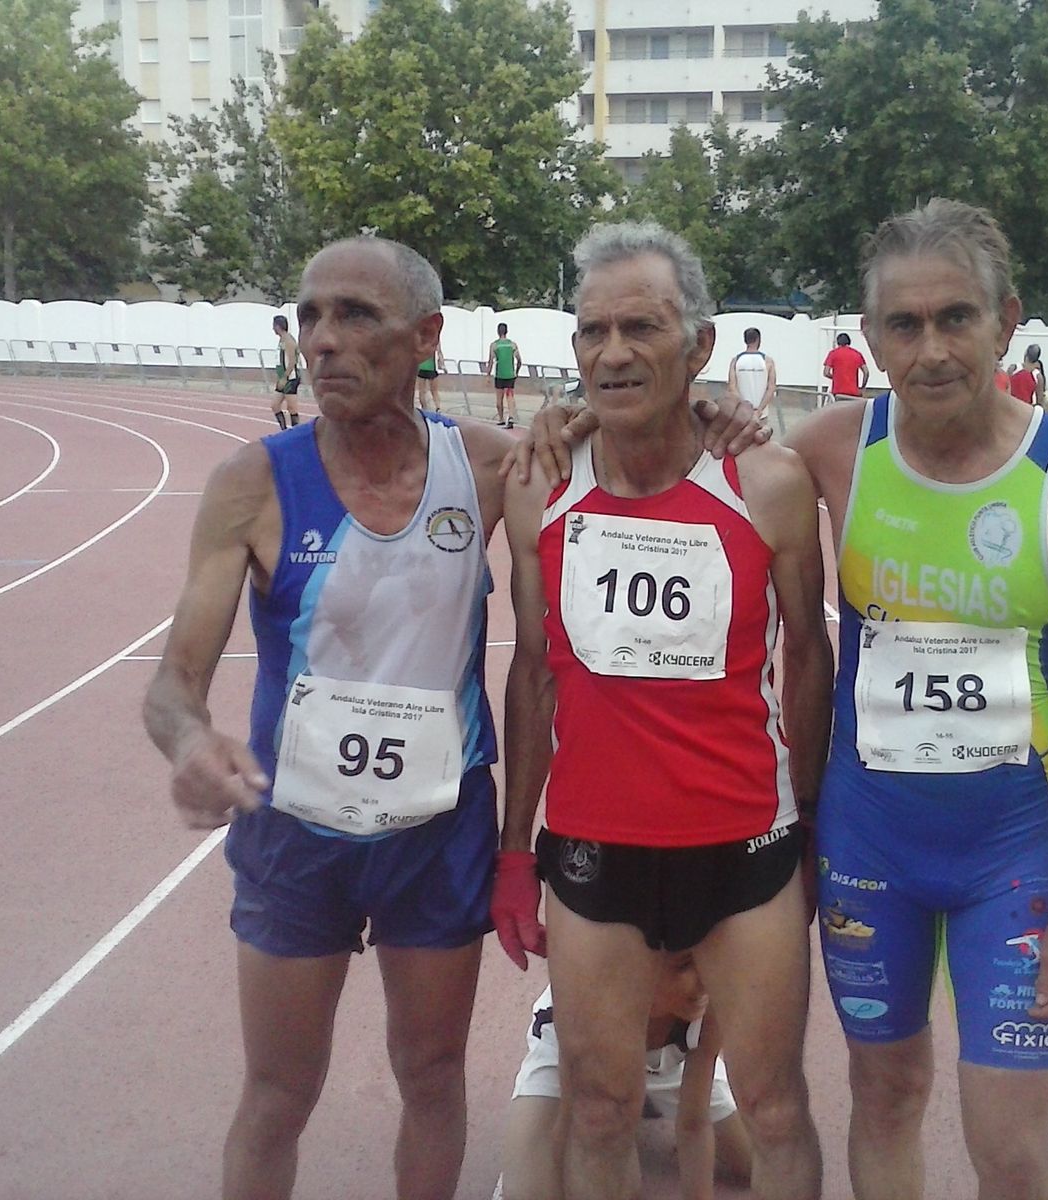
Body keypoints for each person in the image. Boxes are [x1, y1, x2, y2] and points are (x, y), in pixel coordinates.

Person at [143, 236, 526, 1200]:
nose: (322, 340)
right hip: (295, 830)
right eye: (310, 315)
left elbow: (631, 438)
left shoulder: (482, 465)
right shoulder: (253, 482)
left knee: (432, 1078)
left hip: (437, 833)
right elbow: (172, 683)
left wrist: (714, 406)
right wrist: (191, 743)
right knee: (278, 1093)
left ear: (426, 337)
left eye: (356, 315)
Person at [786, 200, 1048, 1200]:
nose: (931, 349)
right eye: (904, 324)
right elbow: (680, 457)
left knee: (1010, 1147)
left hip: (1008, 861)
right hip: (865, 848)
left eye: (956, 318)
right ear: (871, 339)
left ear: (1005, 319)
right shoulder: (830, 449)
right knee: (885, 1094)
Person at [499, 221, 831, 1200]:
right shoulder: (539, 487)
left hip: (743, 849)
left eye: (639, 326)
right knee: (599, 1109)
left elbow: (807, 657)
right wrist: (517, 850)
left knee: (775, 1109)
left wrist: (807, 820)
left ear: (697, 345)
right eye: (591, 330)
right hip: (595, 850)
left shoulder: (766, 481)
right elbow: (531, 674)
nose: (611, 351)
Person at [501, 951, 754, 1200]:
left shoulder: (710, 995)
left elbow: (694, 1124)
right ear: (640, 969)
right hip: (578, 1060)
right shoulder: (594, 1003)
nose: (703, 978)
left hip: (669, 1062)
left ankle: (644, 1101)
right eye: (684, 965)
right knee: (534, 1190)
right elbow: (570, 1122)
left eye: (707, 961)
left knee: (753, 1159)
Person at [729, 327, 778, 417]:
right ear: (758, 340)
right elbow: (771, 388)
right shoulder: (768, 361)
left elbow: (732, 387)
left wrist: (744, 408)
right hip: (761, 414)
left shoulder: (735, 361)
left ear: (745, 340)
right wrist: (759, 410)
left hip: (742, 414)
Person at [270, 315, 303, 430]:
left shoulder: (288, 340)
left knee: (292, 408)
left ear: (278, 326)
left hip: (290, 378)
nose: (272, 328)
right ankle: (284, 430)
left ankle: (295, 432)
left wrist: (285, 377)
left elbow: (292, 361)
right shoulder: (282, 340)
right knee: (275, 405)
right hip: (283, 378)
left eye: (274, 326)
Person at [490, 322, 523, 428]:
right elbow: (519, 360)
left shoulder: (494, 345)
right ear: (507, 331)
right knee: (510, 397)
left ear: (498, 332)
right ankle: (511, 416)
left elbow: (491, 361)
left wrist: (487, 374)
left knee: (499, 399)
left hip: (499, 375)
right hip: (510, 374)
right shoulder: (513, 345)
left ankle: (501, 418)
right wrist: (516, 372)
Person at [822, 332, 869, 402]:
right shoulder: (857, 354)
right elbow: (866, 372)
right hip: (853, 392)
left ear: (838, 342)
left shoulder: (833, 354)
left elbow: (826, 373)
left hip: (838, 392)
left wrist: (836, 377)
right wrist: (862, 387)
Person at [1009, 343, 1047, 407]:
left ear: (1025, 354)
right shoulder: (1038, 376)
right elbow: (1039, 401)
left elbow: (1004, 388)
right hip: (1027, 409)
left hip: (1011, 406)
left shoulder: (1013, 369)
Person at [416, 325, 442, 413]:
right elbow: (439, 352)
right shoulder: (434, 339)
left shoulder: (420, 338)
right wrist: (442, 364)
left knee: (422, 391)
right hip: (431, 368)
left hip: (421, 367)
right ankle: (438, 408)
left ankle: (425, 409)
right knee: (434, 391)